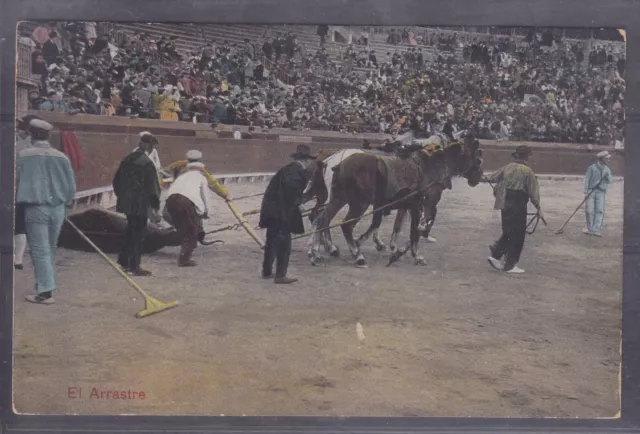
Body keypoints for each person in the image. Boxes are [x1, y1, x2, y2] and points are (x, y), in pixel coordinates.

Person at [16, 119, 76, 304]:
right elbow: (70, 186)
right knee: (49, 248)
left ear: (31, 134)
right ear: (49, 135)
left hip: (35, 207)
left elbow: (15, 181)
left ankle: (45, 292)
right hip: (57, 208)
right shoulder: (61, 157)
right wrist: (67, 203)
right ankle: (45, 286)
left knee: (40, 250)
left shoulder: (23, 155)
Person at [259, 144, 314, 284]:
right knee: (284, 244)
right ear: (306, 160)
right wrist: (298, 204)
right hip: (281, 212)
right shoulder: (296, 171)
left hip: (271, 210)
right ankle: (280, 275)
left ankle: (267, 271)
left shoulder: (288, 169)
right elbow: (290, 189)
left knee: (271, 241)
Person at [485, 145, 543, 274]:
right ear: (527, 157)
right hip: (518, 202)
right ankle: (510, 265)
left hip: (505, 201)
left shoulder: (507, 167)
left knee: (508, 230)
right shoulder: (528, 171)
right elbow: (533, 193)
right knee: (518, 234)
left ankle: (496, 253)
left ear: (516, 156)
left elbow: (491, 177)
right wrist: (539, 208)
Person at [113, 133, 161, 276]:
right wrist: (155, 208)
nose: (152, 148)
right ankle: (134, 266)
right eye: (152, 145)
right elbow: (153, 188)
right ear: (146, 145)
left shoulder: (127, 159)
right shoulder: (147, 163)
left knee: (130, 230)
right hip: (140, 203)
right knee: (138, 234)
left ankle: (123, 261)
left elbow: (116, 181)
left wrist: (122, 197)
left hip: (127, 202)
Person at [163, 150, 210, 267]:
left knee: (182, 229)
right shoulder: (201, 177)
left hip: (170, 200)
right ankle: (184, 259)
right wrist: (205, 212)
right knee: (191, 232)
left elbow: (170, 191)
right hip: (186, 202)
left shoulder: (182, 176)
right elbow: (205, 197)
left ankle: (167, 240)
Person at [14, 115, 43, 271]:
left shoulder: (25, 146)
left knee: (19, 225)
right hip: (24, 189)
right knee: (20, 225)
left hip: (20, 189)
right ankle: (17, 259)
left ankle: (17, 259)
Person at [583, 150, 613, 236]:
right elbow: (587, 180)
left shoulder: (607, 169)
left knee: (599, 210)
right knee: (589, 210)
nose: (608, 160)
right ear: (602, 159)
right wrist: (585, 192)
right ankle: (590, 228)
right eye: (607, 159)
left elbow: (610, 181)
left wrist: (607, 177)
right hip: (591, 191)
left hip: (601, 192)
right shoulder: (592, 168)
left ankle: (596, 229)